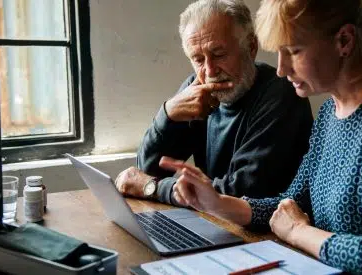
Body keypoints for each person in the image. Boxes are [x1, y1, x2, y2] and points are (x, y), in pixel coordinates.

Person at [158, 0, 362, 274]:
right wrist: (216, 203)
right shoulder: (330, 112)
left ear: (344, 40)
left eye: (294, 51)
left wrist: (298, 232)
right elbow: (291, 203)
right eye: (278, 53)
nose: (281, 70)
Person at [114, 0, 313, 205]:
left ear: (251, 47)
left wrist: (154, 188)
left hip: (267, 231)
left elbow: (240, 193)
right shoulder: (197, 88)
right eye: (198, 59)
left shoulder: (282, 95)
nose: (209, 71)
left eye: (219, 55)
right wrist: (167, 113)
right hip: (215, 222)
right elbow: (146, 170)